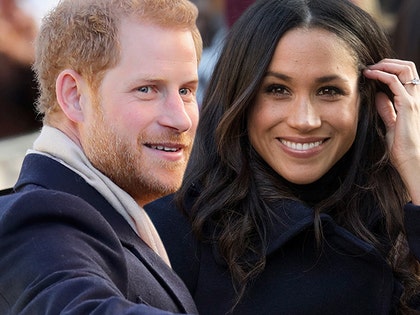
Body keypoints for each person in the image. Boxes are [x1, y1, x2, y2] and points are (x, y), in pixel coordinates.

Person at [145, 0, 420, 314]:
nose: (304, 120)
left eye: (329, 91)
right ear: (240, 97)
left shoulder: (398, 223)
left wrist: (414, 161)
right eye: (277, 89)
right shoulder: (173, 230)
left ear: (370, 101)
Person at [0, 0, 202, 314]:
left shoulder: (122, 212)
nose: (181, 119)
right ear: (74, 96)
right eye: (147, 89)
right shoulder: (39, 219)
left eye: (186, 91)